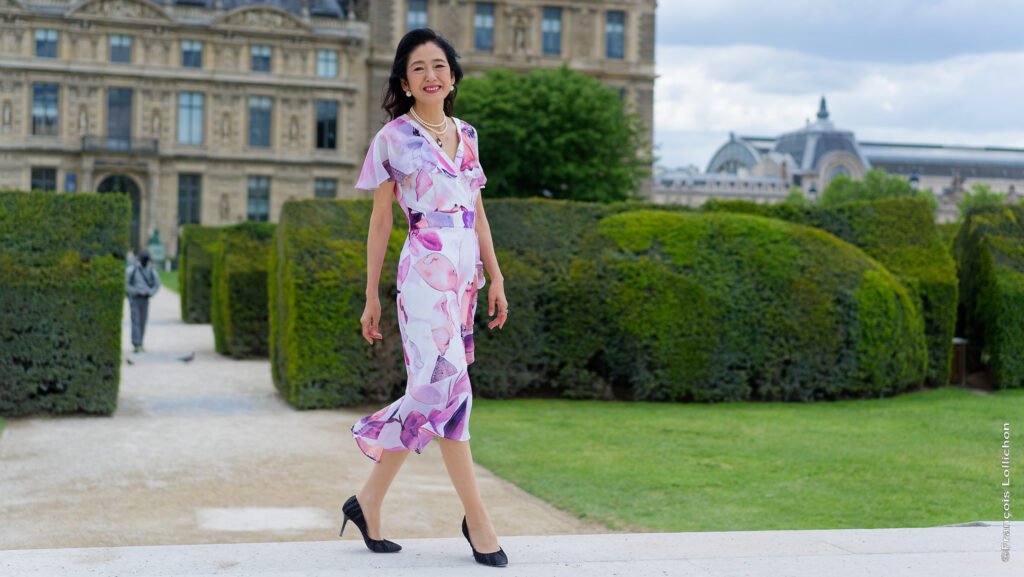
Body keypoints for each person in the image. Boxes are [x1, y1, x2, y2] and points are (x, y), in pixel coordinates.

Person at [342, 28, 510, 567]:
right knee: (451, 392)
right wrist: (370, 294)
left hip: (464, 280)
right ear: (404, 83)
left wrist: (496, 276)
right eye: (418, 68)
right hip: (422, 276)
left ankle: (367, 501)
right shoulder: (392, 138)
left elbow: (477, 213)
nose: (431, 75)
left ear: (453, 77)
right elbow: (380, 221)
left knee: (433, 392)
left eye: (439, 66)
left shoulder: (468, 134)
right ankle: (478, 520)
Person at [125, 250, 160, 353]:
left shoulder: (151, 271)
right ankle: (136, 343)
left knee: (142, 321)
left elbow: (157, 284)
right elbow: (126, 283)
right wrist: (133, 291)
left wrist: (151, 292)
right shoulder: (133, 270)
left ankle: (140, 342)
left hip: (145, 298)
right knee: (136, 321)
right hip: (135, 298)